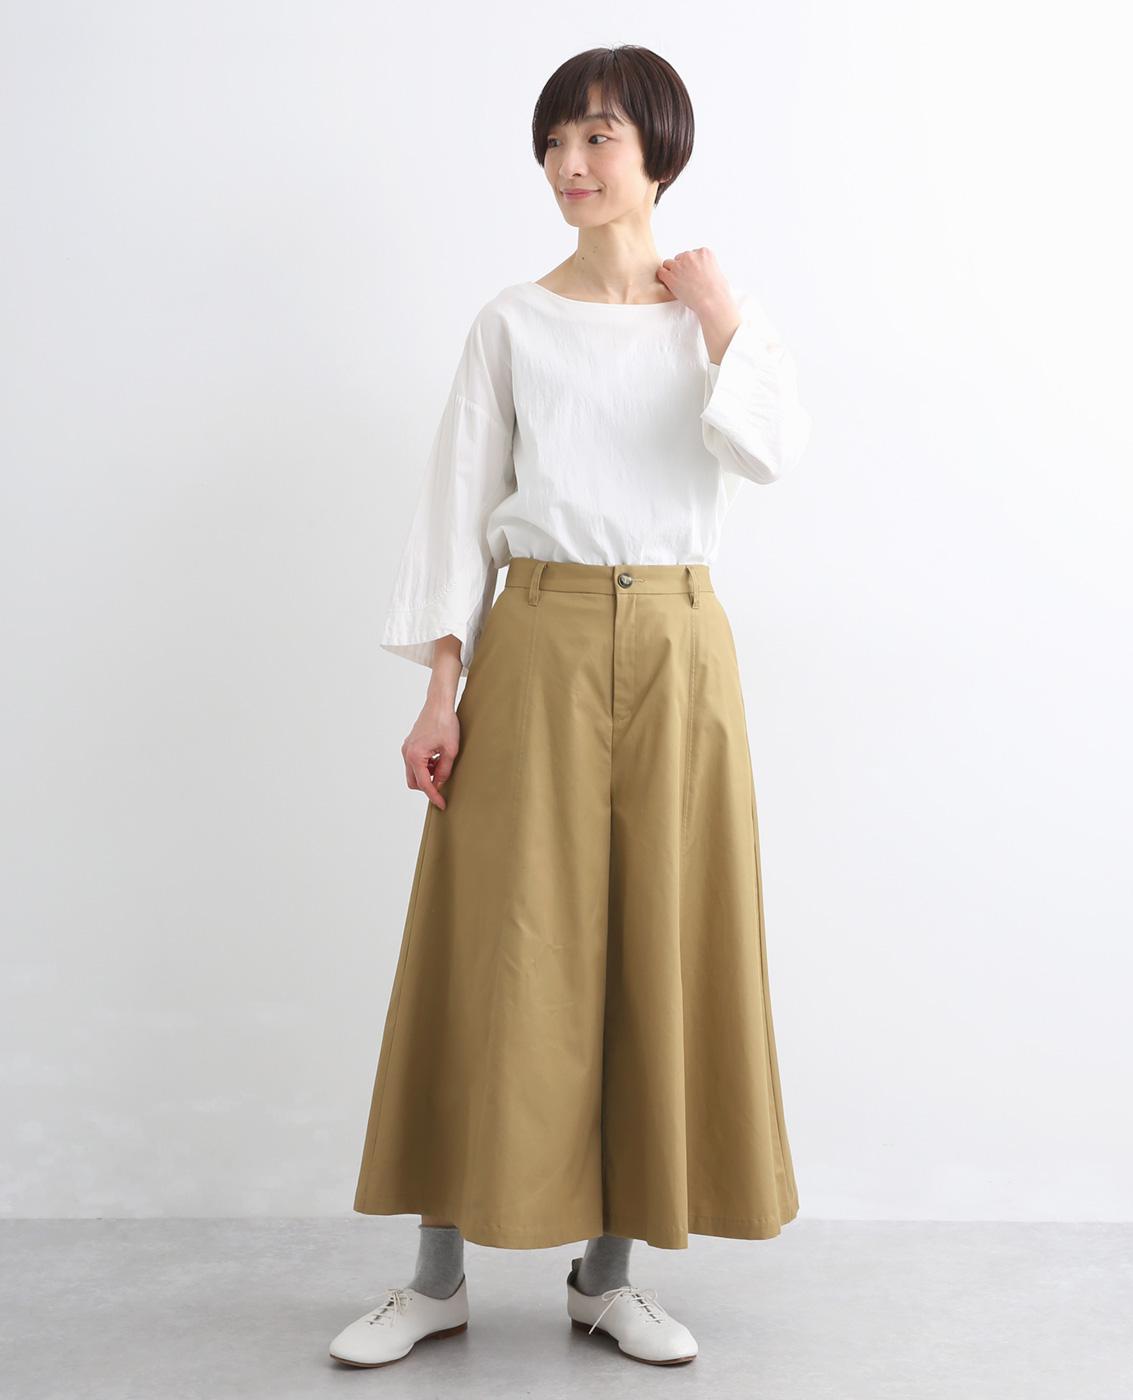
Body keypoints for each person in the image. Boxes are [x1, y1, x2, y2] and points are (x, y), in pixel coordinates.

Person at [329, 44, 812, 1370]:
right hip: (536, 635)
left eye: (597, 137)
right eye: (554, 142)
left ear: (659, 149)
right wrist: (440, 694)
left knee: (654, 940)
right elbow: (456, 513)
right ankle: (434, 1280)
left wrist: (719, 318)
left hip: (680, 644)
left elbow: (768, 451)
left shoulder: (719, 320)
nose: (569, 165)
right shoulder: (512, 323)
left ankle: (608, 1278)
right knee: (493, 939)